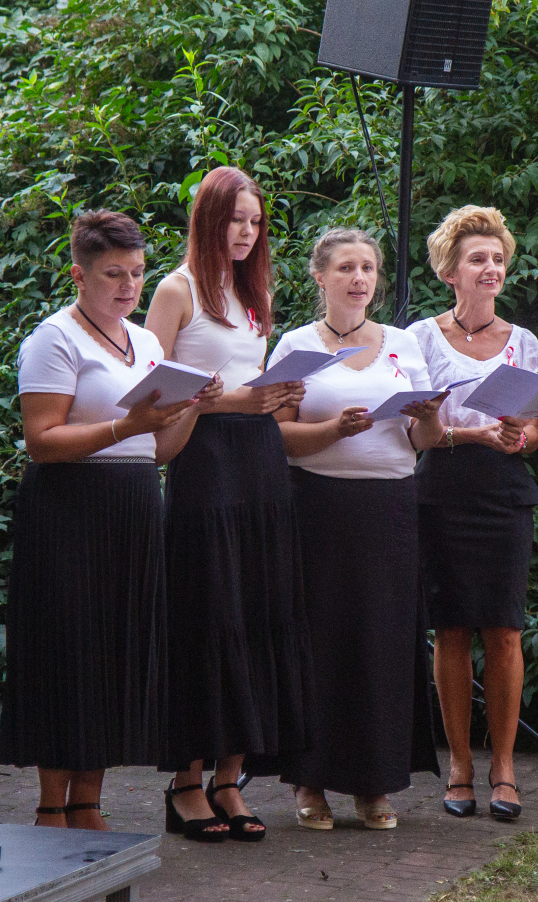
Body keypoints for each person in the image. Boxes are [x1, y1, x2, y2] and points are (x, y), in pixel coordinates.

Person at [2, 210, 219, 830]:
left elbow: (158, 449)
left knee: (113, 652)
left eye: (138, 273)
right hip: (68, 508)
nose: (129, 287)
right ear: (79, 275)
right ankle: (51, 806)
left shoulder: (146, 343)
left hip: (133, 506)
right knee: (64, 649)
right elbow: (42, 440)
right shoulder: (53, 339)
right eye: (114, 274)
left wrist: (193, 409)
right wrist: (127, 425)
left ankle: (87, 802)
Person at [144, 166, 312, 843]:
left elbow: (253, 383)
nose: (246, 232)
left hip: (260, 459)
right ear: (208, 219)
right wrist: (241, 399)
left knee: (258, 607)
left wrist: (280, 395)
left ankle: (229, 779)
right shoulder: (175, 290)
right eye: (236, 219)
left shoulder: (255, 290)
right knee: (208, 610)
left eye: (255, 221)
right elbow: (152, 391)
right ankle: (185, 783)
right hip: (204, 456)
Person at [270, 227, 444, 831]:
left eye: (368, 267)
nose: (359, 278)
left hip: (389, 509)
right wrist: (331, 432)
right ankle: (310, 780)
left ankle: (375, 783)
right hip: (316, 508)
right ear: (320, 276)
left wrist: (431, 416)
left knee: (382, 642)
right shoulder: (296, 345)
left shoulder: (404, 343)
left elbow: (424, 441)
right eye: (346, 267)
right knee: (320, 641)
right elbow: (276, 434)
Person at [407, 205, 538, 822]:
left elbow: (534, 430)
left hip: (503, 490)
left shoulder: (524, 341)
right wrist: (472, 434)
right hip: (442, 486)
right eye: (478, 259)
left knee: (505, 629)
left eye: (498, 258)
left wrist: (520, 435)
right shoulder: (419, 337)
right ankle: (459, 765)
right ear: (449, 272)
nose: (491, 268)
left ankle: (504, 767)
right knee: (452, 630)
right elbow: (415, 429)